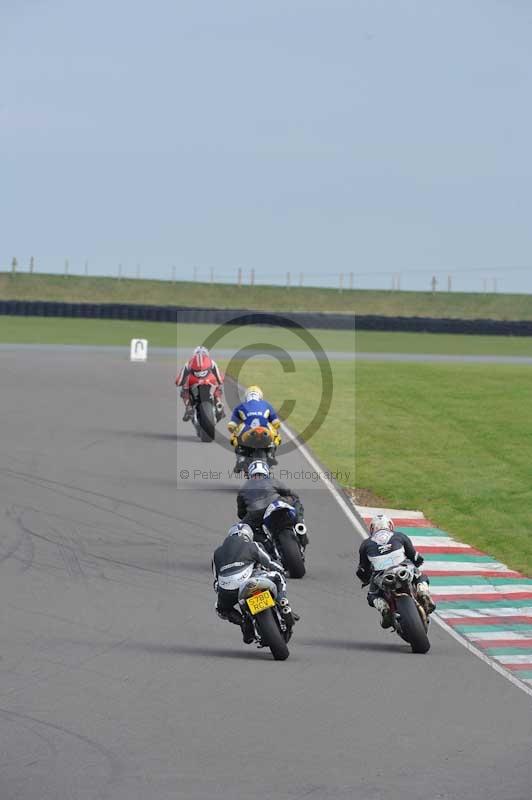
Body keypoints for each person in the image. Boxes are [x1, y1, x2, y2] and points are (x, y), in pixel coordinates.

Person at [212, 522, 296, 643]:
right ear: (249, 536)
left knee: (221, 609)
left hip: (227, 589)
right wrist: (281, 570)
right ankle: (283, 602)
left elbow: (216, 581)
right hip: (250, 582)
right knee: (277, 576)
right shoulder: (253, 545)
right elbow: (268, 562)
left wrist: (221, 591)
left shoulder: (217, 553)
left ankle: (242, 622)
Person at [355, 514, 436, 629]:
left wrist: (366, 579)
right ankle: (423, 591)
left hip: (382, 574)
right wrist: (418, 561)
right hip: (402, 568)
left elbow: (363, 570)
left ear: (372, 529)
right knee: (420, 576)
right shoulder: (399, 536)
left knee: (371, 595)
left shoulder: (365, 544)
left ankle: (384, 607)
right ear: (390, 526)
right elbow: (414, 556)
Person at [236, 460, 307, 548]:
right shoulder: (272, 480)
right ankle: (300, 525)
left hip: (255, 514)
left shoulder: (243, 488)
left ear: (250, 473)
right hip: (275, 505)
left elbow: (241, 513)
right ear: (266, 471)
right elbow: (290, 492)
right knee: (295, 501)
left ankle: (261, 548)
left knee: (240, 529)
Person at [227, 386, 282, 467]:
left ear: (246, 397)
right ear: (260, 396)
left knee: (233, 437)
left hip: (247, 430)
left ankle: (241, 458)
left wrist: (233, 429)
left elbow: (232, 424)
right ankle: (270, 454)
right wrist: (275, 428)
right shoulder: (267, 404)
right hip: (265, 429)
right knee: (277, 436)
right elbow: (275, 422)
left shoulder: (240, 406)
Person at [175, 346, 224, 422]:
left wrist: (179, 382)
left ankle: (189, 407)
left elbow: (179, 381)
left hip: (194, 381)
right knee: (218, 385)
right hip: (209, 381)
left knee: (184, 389)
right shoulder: (212, 362)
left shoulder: (188, 363)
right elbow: (220, 378)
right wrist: (220, 381)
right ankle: (219, 404)